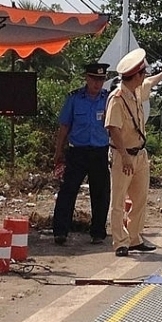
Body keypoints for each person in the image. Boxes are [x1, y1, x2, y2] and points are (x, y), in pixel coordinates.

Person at [105, 48, 162, 257]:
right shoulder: (117, 98)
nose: (144, 77)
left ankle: (134, 238)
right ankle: (120, 242)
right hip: (122, 155)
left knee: (140, 198)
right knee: (118, 201)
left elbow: (149, 83)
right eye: (142, 73)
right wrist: (125, 156)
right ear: (135, 75)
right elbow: (113, 128)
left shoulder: (135, 91)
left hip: (140, 155)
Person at [52, 63, 111, 246]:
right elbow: (64, 126)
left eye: (101, 79)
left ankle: (98, 233)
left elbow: (116, 127)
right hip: (78, 151)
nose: (97, 83)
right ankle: (61, 231)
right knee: (68, 192)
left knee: (100, 193)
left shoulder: (108, 99)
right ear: (86, 78)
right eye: (94, 79)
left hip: (100, 152)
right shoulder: (75, 98)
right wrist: (58, 151)